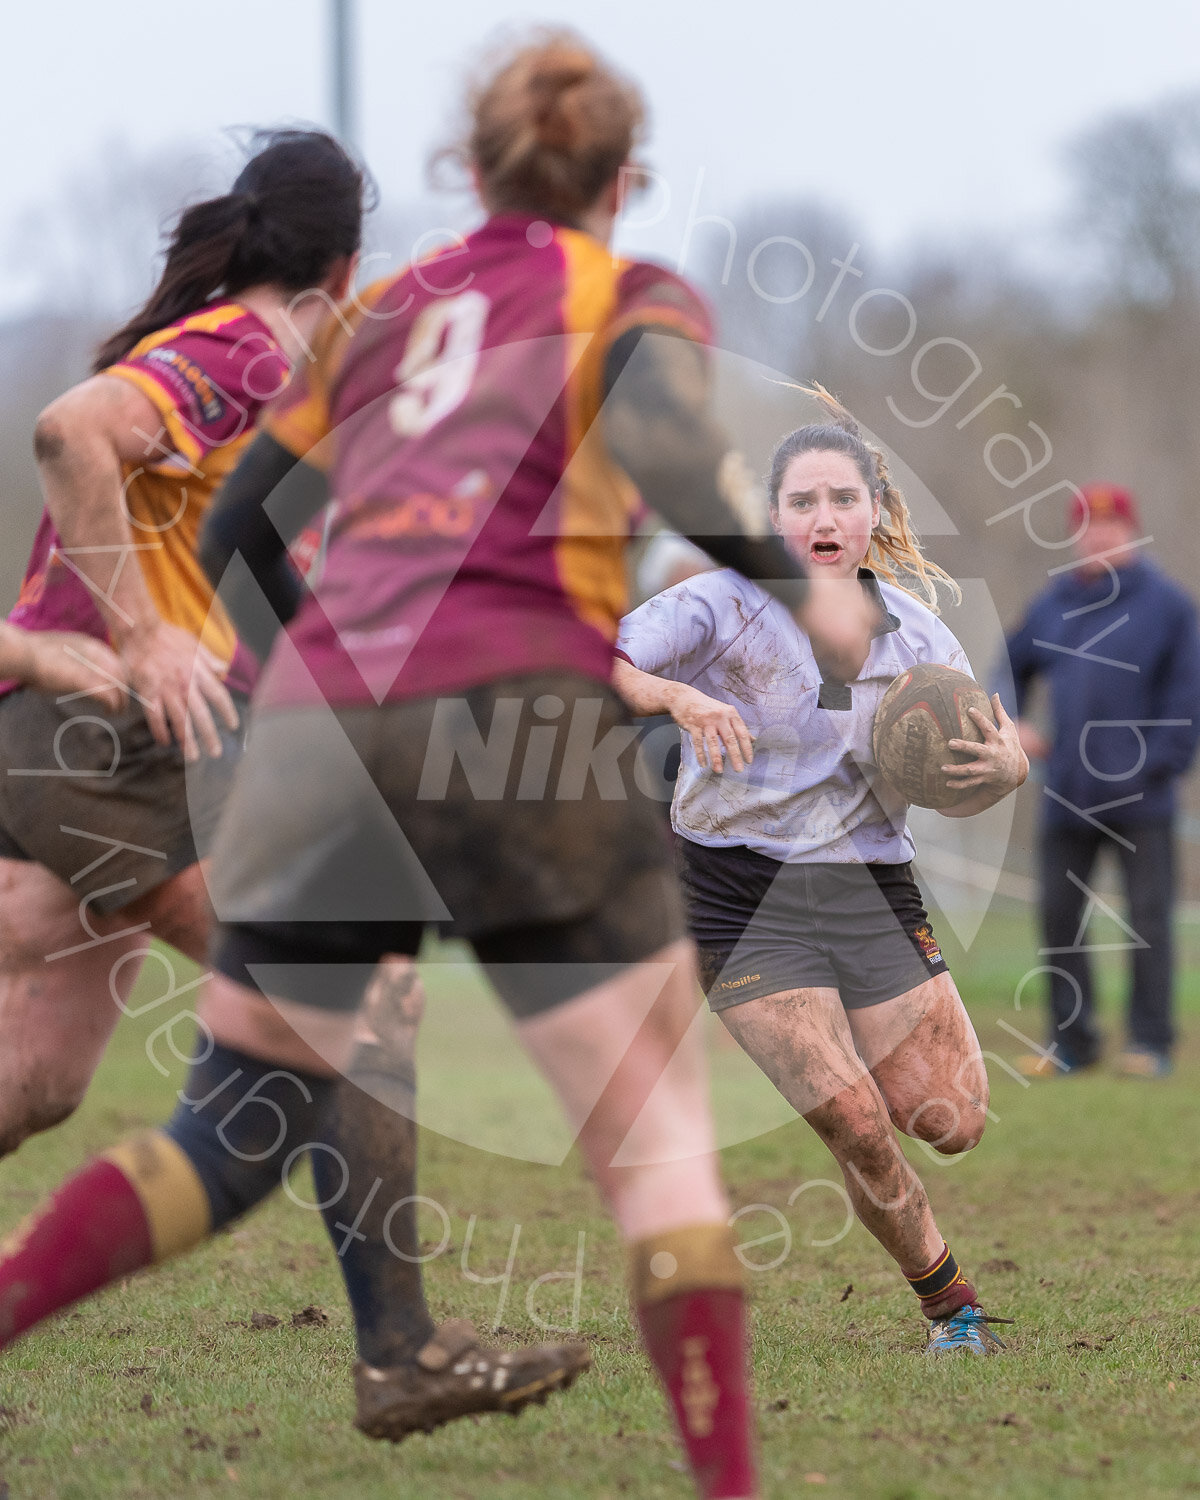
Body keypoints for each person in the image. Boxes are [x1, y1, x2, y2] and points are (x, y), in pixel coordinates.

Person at [0, 35, 876, 1499]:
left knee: (229, 1129)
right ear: (622, 178)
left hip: (320, 737)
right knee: (659, 1154)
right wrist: (810, 592)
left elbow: (241, 538)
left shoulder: (391, 308)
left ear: (465, 176)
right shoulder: (627, 293)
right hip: (512, 725)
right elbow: (668, 457)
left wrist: (294, 696)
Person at [0, 128, 585, 1442]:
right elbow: (67, 431)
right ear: (343, 261)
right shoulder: (248, 348)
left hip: (71, 748)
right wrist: (145, 635)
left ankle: (399, 1347)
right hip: (107, 745)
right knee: (353, 1000)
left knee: (34, 1080)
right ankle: (401, 1350)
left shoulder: (275, 377)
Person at [613, 388, 1028, 1355]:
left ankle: (863, 1089)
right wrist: (678, 699)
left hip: (870, 887)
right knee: (855, 1121)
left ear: (875, 510)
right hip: (740, 891)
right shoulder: (720, 601)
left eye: (842, 498)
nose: (823, 518)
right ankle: (952, 1310)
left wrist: (1005, 771)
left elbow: (980, 763)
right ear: (775, 519)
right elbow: (603, 661)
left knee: (950, 1120)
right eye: (802, 502)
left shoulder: (923, 640)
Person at [1003, 483, 1200, 1078]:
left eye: (1113, 527)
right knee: (1061, 919)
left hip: (1144, 796)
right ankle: (1072, 1043)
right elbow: (1006, 665)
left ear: (1131, 532)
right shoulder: (1055, 602)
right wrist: (1012, 722)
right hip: (1066, 790)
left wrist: (1154, 765)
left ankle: (1151, 1043)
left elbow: (1188, 697)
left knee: (1148, 924)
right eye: (1090, 527)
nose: (1101, 537)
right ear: (1076, 535)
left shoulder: (1170, 605)